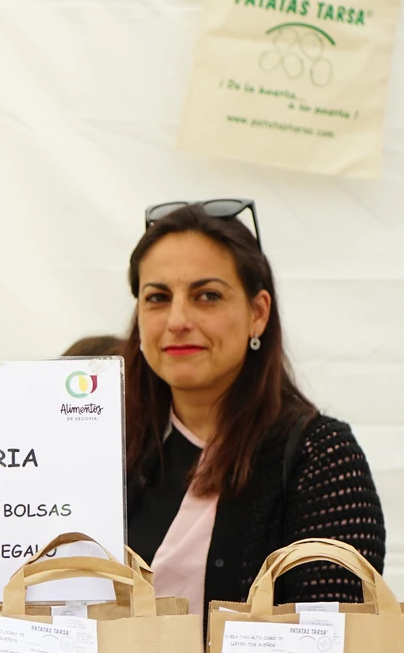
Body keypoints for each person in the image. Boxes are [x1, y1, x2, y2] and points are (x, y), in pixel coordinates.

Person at [124, 199, 384, 611]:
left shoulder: (320, 456)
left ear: (258, 313)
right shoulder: (109, 447)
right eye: (157, 297)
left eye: (206, 295)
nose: (177, 320)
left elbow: (330, 647)